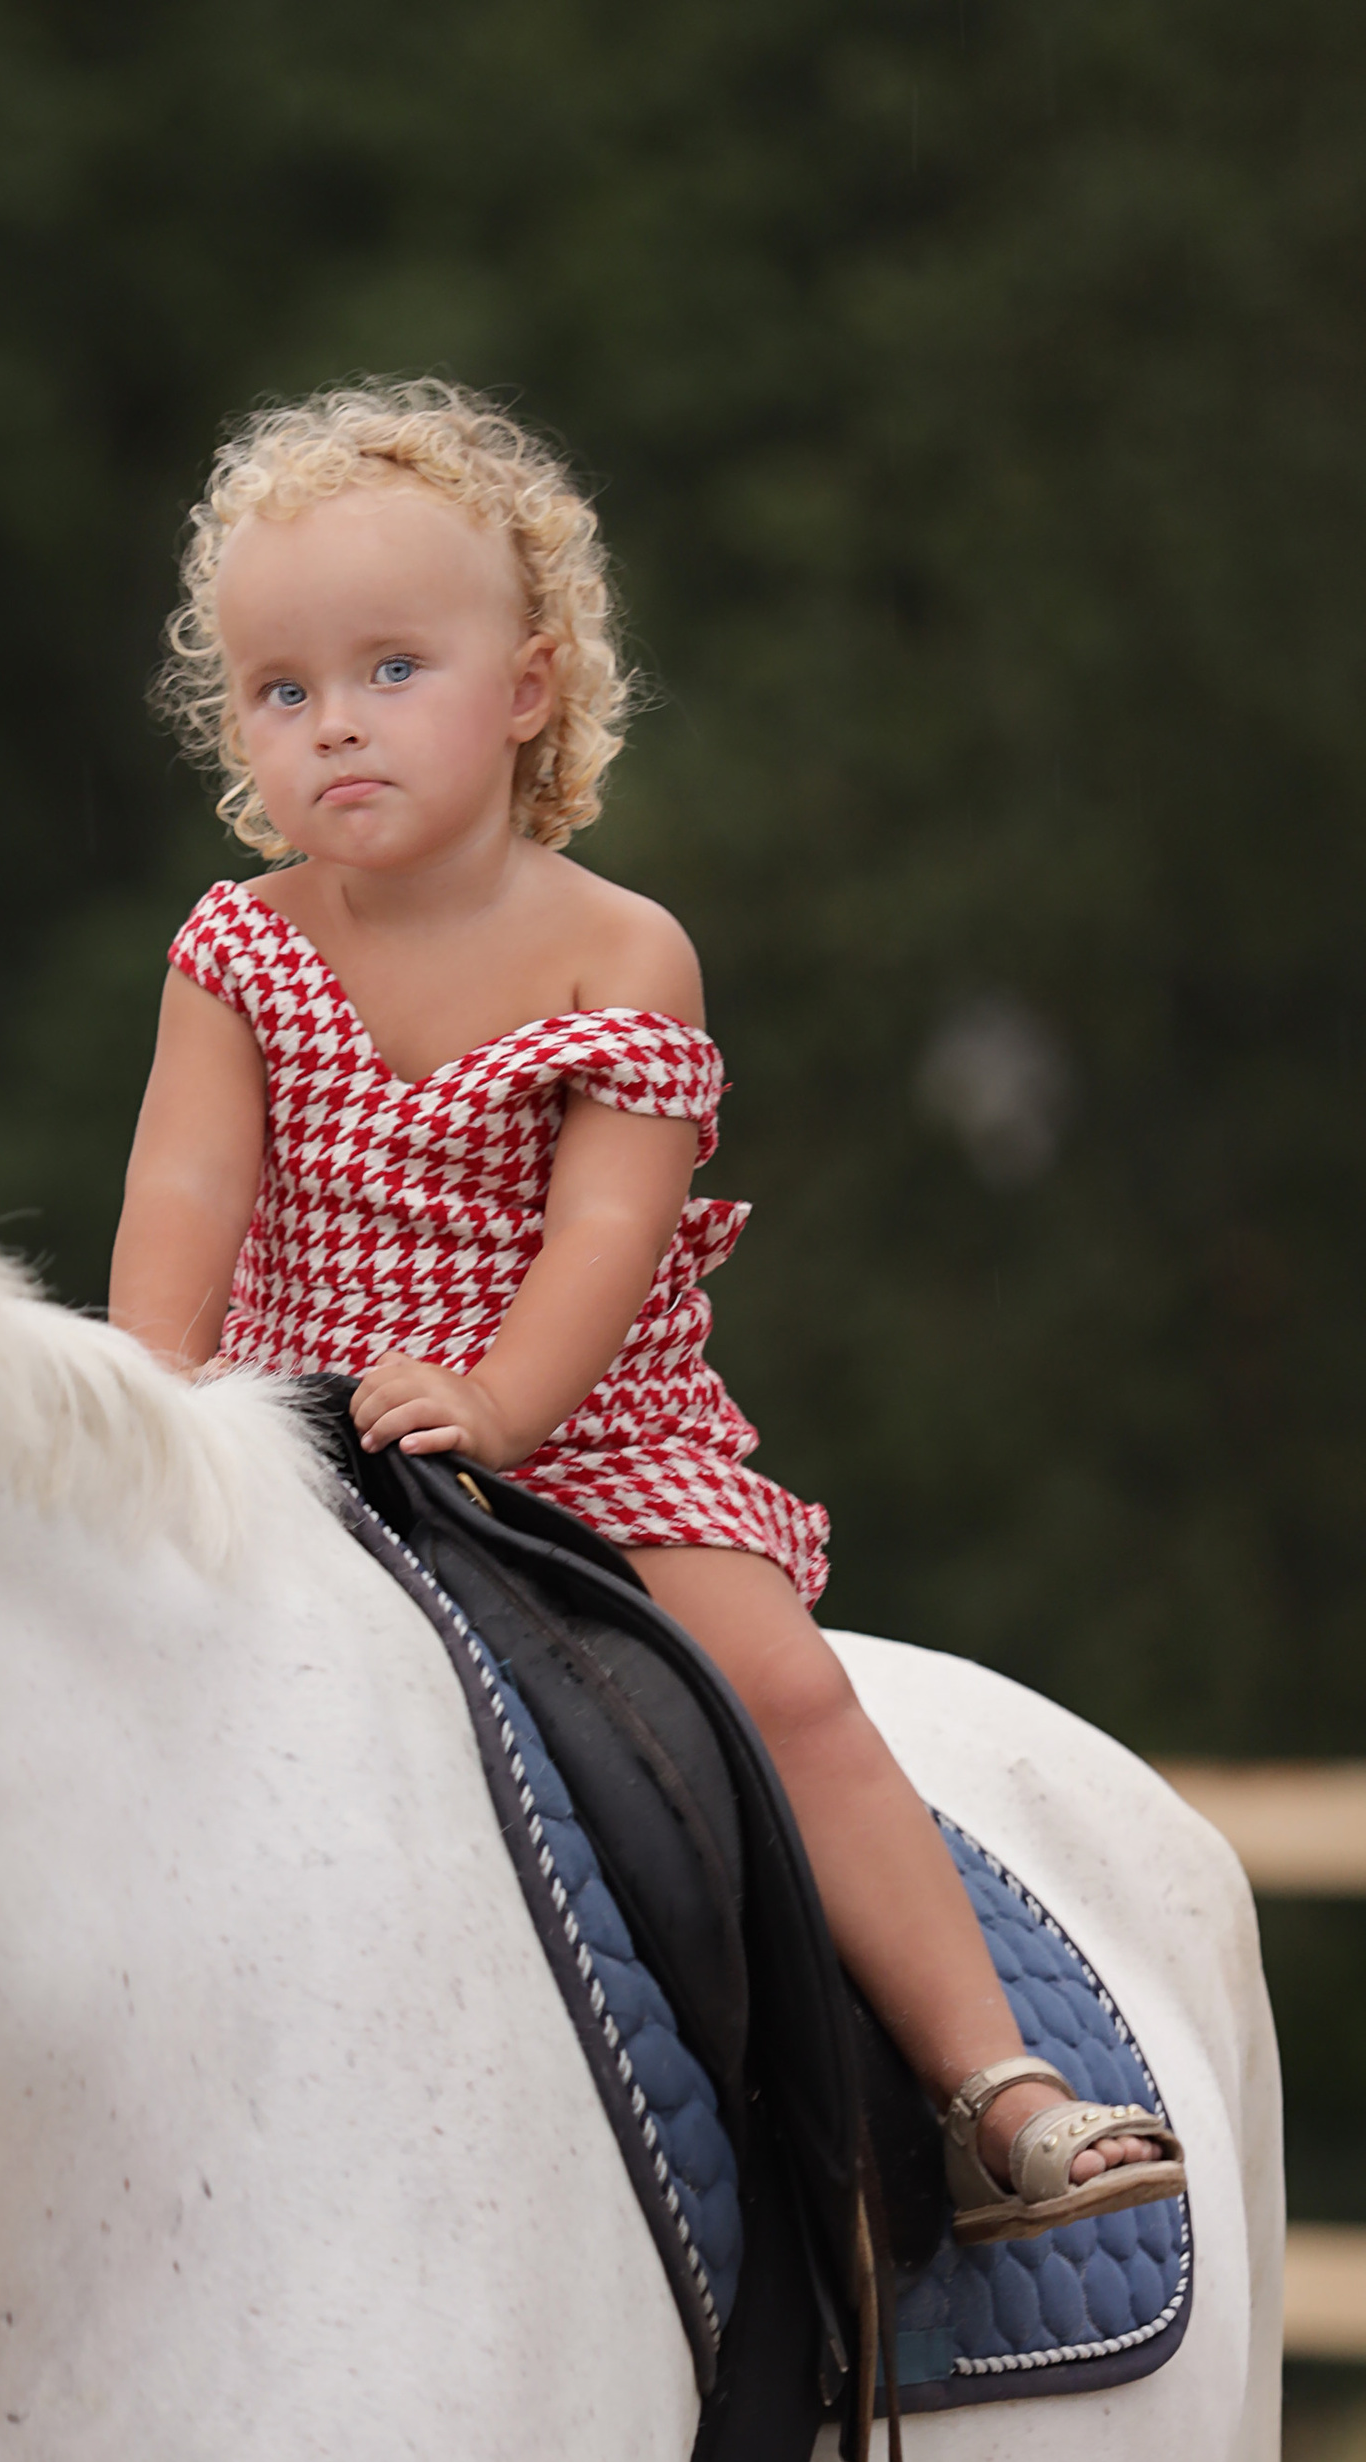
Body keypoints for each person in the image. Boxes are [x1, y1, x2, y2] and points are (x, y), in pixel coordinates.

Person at [109, 378, 1180, 2240]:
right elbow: (184, 1193)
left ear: (525, 689)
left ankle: (987, 2081)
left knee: (787, 1689)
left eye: (390, 670)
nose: (334, 726)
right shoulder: (242, 946)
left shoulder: (621, 950)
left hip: (586, 1435)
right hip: (304, 1415)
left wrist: (506, 1409)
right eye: (284, 692)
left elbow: (609, 1231)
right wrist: (145, 1411)